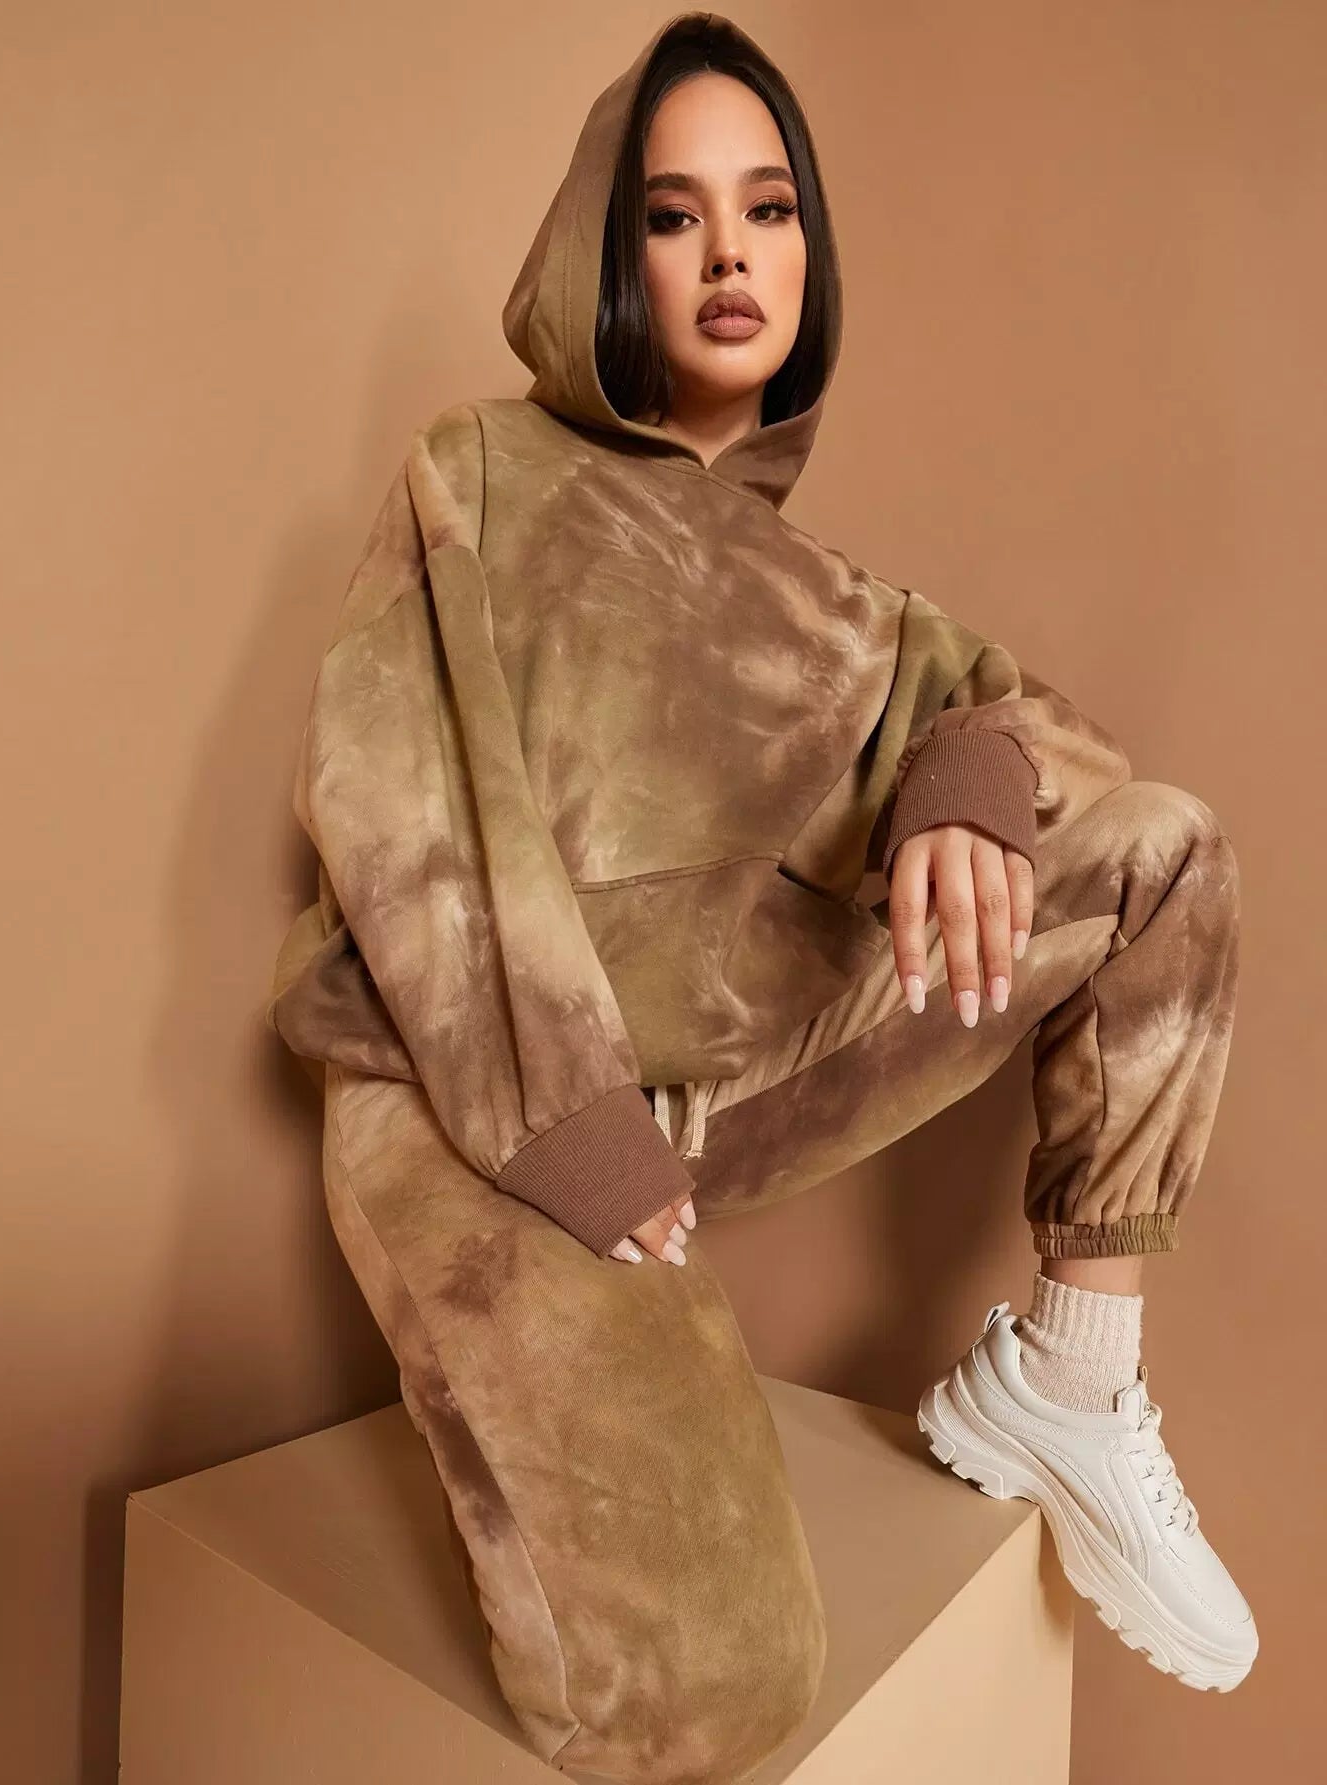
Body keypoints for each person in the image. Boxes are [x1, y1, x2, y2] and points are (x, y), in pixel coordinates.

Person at [266, 11, 1256, 1779]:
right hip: (481, 1115)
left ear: (809, 254)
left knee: (1165, 847)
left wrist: (963, 774)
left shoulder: (843, 603)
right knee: (726, 1680)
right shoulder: (477, 469)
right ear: (605, 254)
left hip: (718, 1103)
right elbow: (408, 808)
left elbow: (1044, 730)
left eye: (769, 208)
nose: (730, 250)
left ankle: (1073, 1380)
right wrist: (569, 1128)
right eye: (674, 213)